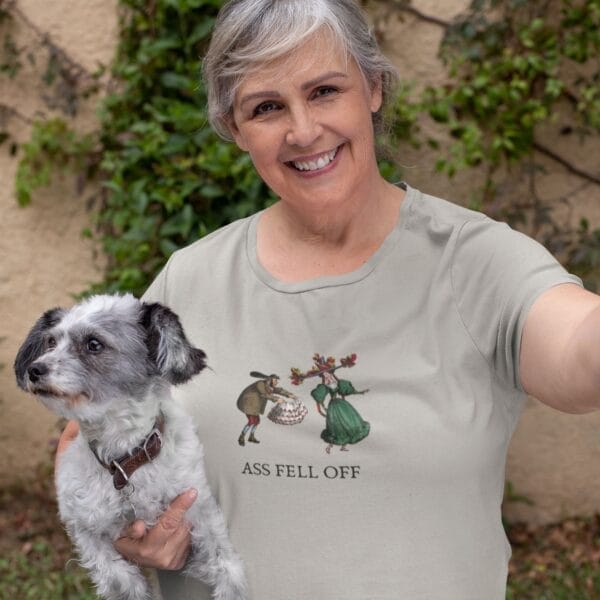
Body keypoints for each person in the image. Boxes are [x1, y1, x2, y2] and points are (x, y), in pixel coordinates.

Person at [56, 0, 600, 598]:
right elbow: (91, 425)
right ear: (235, 129)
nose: (304, 130)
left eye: (324, 91)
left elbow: (578, 350)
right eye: (266, 107)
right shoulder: (190, 280)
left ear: (372, 88)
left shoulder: (476, 261)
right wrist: (131, 527)